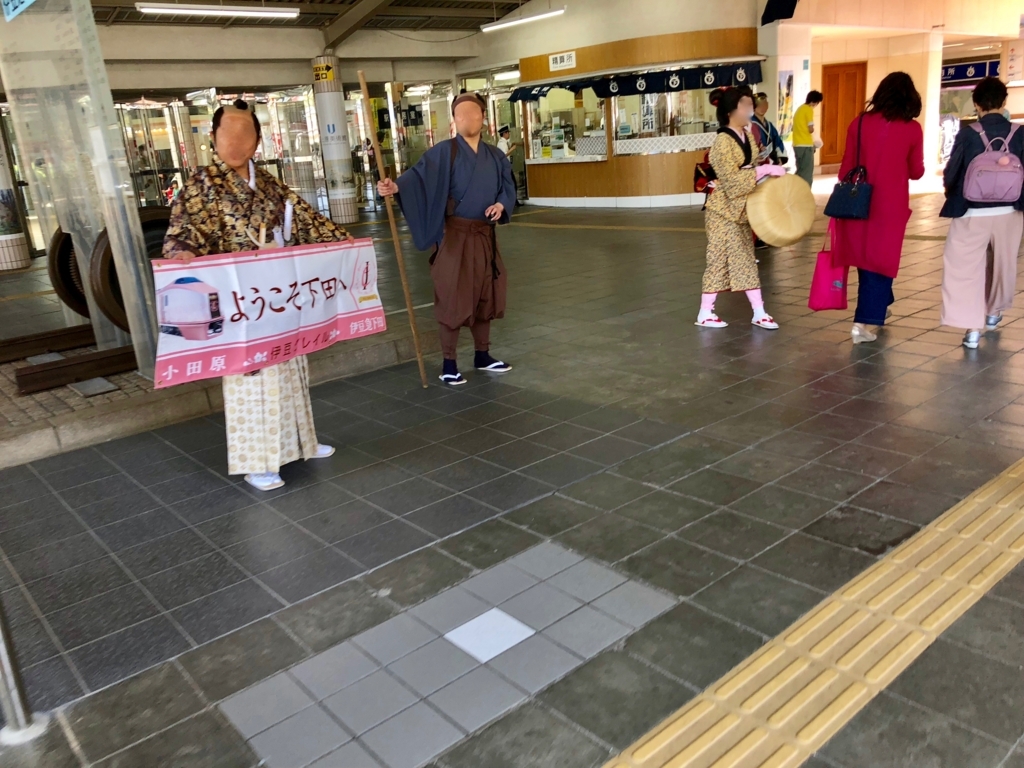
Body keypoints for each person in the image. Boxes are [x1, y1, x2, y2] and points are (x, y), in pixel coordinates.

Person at [162, 99, 354, 492]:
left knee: (291, 368)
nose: (235, 141)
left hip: (277, 296)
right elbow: (182, 231)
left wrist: (346, 244)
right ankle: (258, 462)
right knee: (251, 379)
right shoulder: (201, 185)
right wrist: (181, 252)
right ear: (213, 138)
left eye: (244, 133)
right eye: (227, 133)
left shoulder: (269, 183)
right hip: (237, 303)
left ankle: (302, 442)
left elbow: (305, 220)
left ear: (258, 140)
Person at [377, 92, 517, 385]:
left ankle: (482, 355)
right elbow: (416, 179)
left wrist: (501, 204)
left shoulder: (496, 155)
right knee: (453, 296)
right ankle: (449, 362)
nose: (469, 119)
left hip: (484, 237)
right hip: (454, 237)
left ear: (483, 118)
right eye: (462, 115)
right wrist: (395, 187)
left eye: (475, 113)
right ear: (455, 120)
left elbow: (507, 188)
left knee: (485, 294)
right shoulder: (444, 152)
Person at [833, 72, 925, 344]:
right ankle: (864, 323)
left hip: (857, 200)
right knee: (882, 262)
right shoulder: (912, 129)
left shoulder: (859, 123)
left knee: (865, 257)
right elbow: (917, 171)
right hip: (890, 205)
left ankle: (882, 301)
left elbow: (844, 169)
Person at [940, 77, 1024, 349]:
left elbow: (953, 172)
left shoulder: (968, 133)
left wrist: (949, 193)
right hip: (1010, 212)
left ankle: (972, 330)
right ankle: (993, 312)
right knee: (1003, 265)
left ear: (976, 103)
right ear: (1003, 102)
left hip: (971, 213)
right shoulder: (1020, 133)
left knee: (965, 269)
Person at [696, 88, 786, 329]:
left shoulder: (746, 134)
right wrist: (763, 170)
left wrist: (766, 172)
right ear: (730, 111)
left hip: (740, 209)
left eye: (750, 104)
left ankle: (759, 311)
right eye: (745, 105)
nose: (750, 109)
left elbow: (749, 170)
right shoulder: (722, 142)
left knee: (745, 259)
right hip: (722, 211)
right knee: (718, 260)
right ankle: (705, 312)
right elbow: (733, 180)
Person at [793, 90, 823, 186]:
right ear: (815, 101)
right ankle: (806, 196)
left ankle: (795, 193)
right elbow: (810, 129)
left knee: (800, 171)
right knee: (807, 174)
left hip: (797, 144)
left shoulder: (799, 109)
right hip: (806, 144)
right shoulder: (808, 109)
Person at [752, 93, 787, 165]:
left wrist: (780, 158)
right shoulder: (750, 124)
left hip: (770, 161)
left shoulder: (769, 125)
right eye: (759, 105)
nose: (762, 107)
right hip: (757, 163)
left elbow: (777, 141)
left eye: (764, 104)